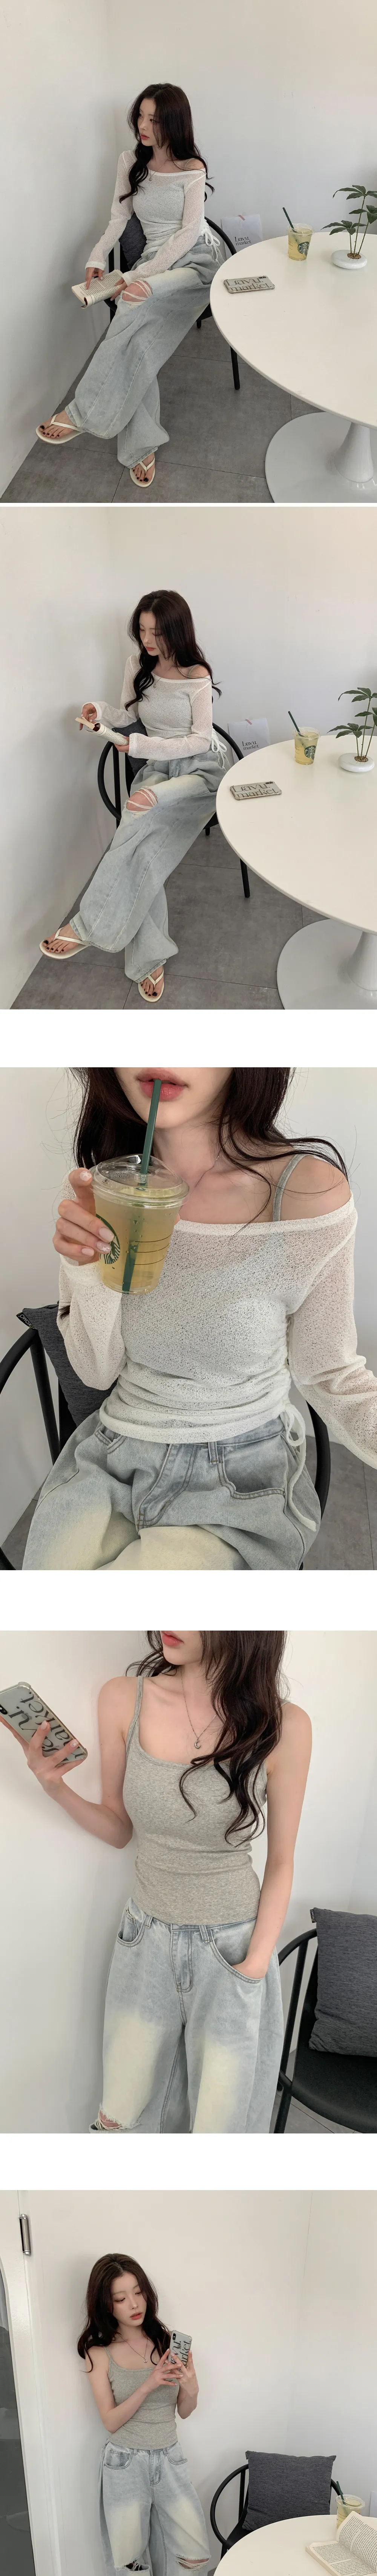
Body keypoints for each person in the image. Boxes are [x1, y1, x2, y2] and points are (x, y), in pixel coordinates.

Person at [22, 1065, 377, 1574]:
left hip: (240, 1473)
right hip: (113, 1457)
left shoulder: (307, 1194)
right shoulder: (106, 1187)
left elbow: (331, 1374)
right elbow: (96, 1372)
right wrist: (86, 1268)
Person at [6, 1631, 311, 2133]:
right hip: (144, 1942)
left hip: (234, 1949)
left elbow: (281, 1862)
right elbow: (118, 1829)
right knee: (124, 2116)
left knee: (220, 2127)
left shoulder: (286, 1726)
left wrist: (254, 1965)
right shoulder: (122, 1698)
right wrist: (53, 1786)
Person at [40, 591, 229, 999]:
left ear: (177, 631)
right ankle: (148, 959)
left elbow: (200, 741)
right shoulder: (136, 666)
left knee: (140, 828)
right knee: (144, 852)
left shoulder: (197, 674)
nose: (147, 640)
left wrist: (140, 746)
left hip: (199, 773)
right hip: (157, 770)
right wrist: (99, 711)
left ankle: (87, 926)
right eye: (141, 630)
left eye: (156, 632)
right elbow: (128, 716)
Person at [36, 84, 225, 484]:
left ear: (174, 122)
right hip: (154, 264)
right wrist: (96, 258)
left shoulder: (193, 169)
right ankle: (141, 446)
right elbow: (118, 220)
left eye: (154, 119)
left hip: (195, 265)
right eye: (140, 115)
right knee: (139, 339)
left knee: (135, 303)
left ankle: (82, 413)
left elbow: (187, 236)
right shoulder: (130, 162)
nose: (143, 125)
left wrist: (138, 277)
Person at [77, 2252, 209, 2576]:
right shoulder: (99, 2353)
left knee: (193, 2551)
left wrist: (191, 2387)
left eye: (138, 2292)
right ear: (106, 2304)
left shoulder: (168, 2341)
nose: (134, 2304)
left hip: (169, 2458)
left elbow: (185, 2411)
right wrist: (149, 2384)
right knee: (131, 2558)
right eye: (121, 2298)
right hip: (125, 2463)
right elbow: (111, 2421)